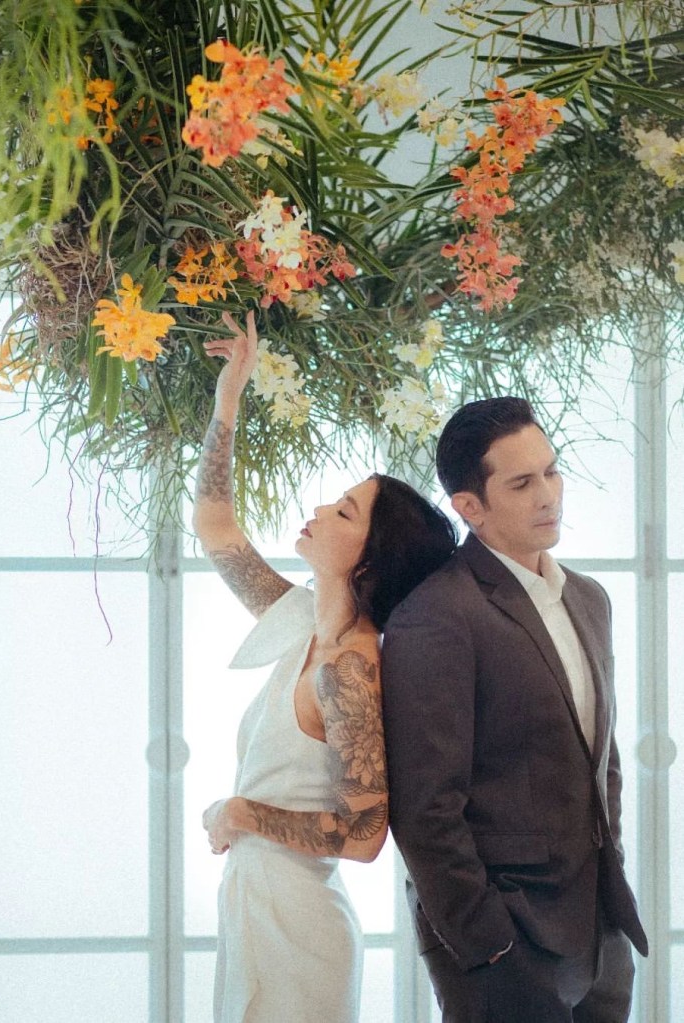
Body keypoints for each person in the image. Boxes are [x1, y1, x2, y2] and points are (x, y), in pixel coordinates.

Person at [194, 310, 457, 1023]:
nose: (318, 508)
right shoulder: (300, 622)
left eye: (343, 513)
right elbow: (214, 527)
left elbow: (365, 833)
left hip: (300, 930)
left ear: (370, 560)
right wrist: (227, 399)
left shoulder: (350, 667)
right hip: (257, 912)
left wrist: (245, 812)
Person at [381, 396, 648, 1023]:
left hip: (601, 930)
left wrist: (611, 881)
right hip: (505, 942)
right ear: (469, 506)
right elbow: (424, 807)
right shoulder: (437, 614)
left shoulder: (588, 598)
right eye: (522, 483)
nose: (549, 495)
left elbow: (600, 760)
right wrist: (489, 942)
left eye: (552, 472)